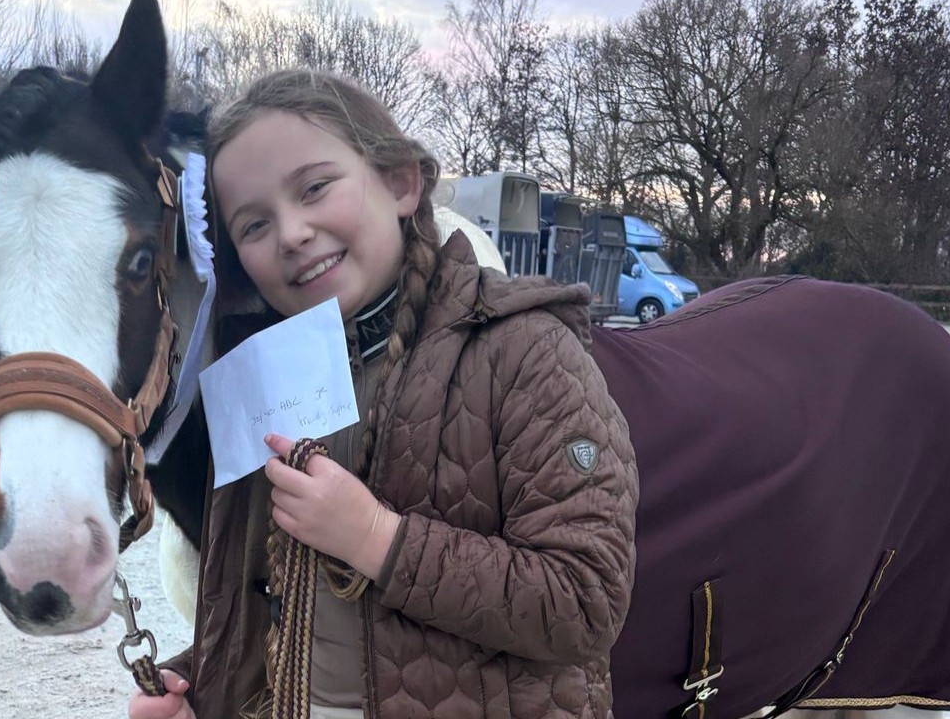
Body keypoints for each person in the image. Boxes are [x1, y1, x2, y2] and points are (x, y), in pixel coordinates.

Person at [129, 69, 638, 719]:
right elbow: (265, 601)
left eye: (314, 188)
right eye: (253, 226)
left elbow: (585, 601)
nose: (291, 233)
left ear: (399, 183)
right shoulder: (264, 382)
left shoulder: (524, 351)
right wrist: (192, 687)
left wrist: (376, 539)